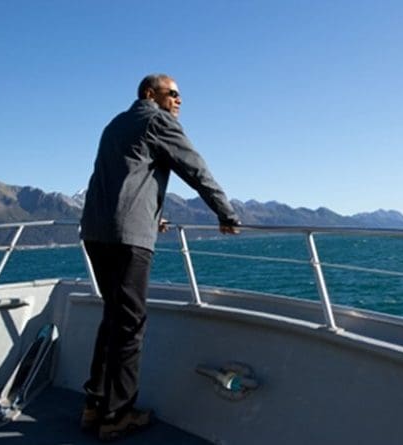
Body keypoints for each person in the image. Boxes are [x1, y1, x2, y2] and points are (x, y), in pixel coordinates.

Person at [78, 73, 240, 441]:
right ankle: (118, 416)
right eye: (173, 94)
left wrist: (152, 214)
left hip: (96, 232)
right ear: (151, 94)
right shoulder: (157, 119)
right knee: (131, 326)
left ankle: (94, 405)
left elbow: (118, 178)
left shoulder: (116, 124)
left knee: (112, 317)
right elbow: (194, 167)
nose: (179, 100)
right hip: (126, 239)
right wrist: (225, 212)